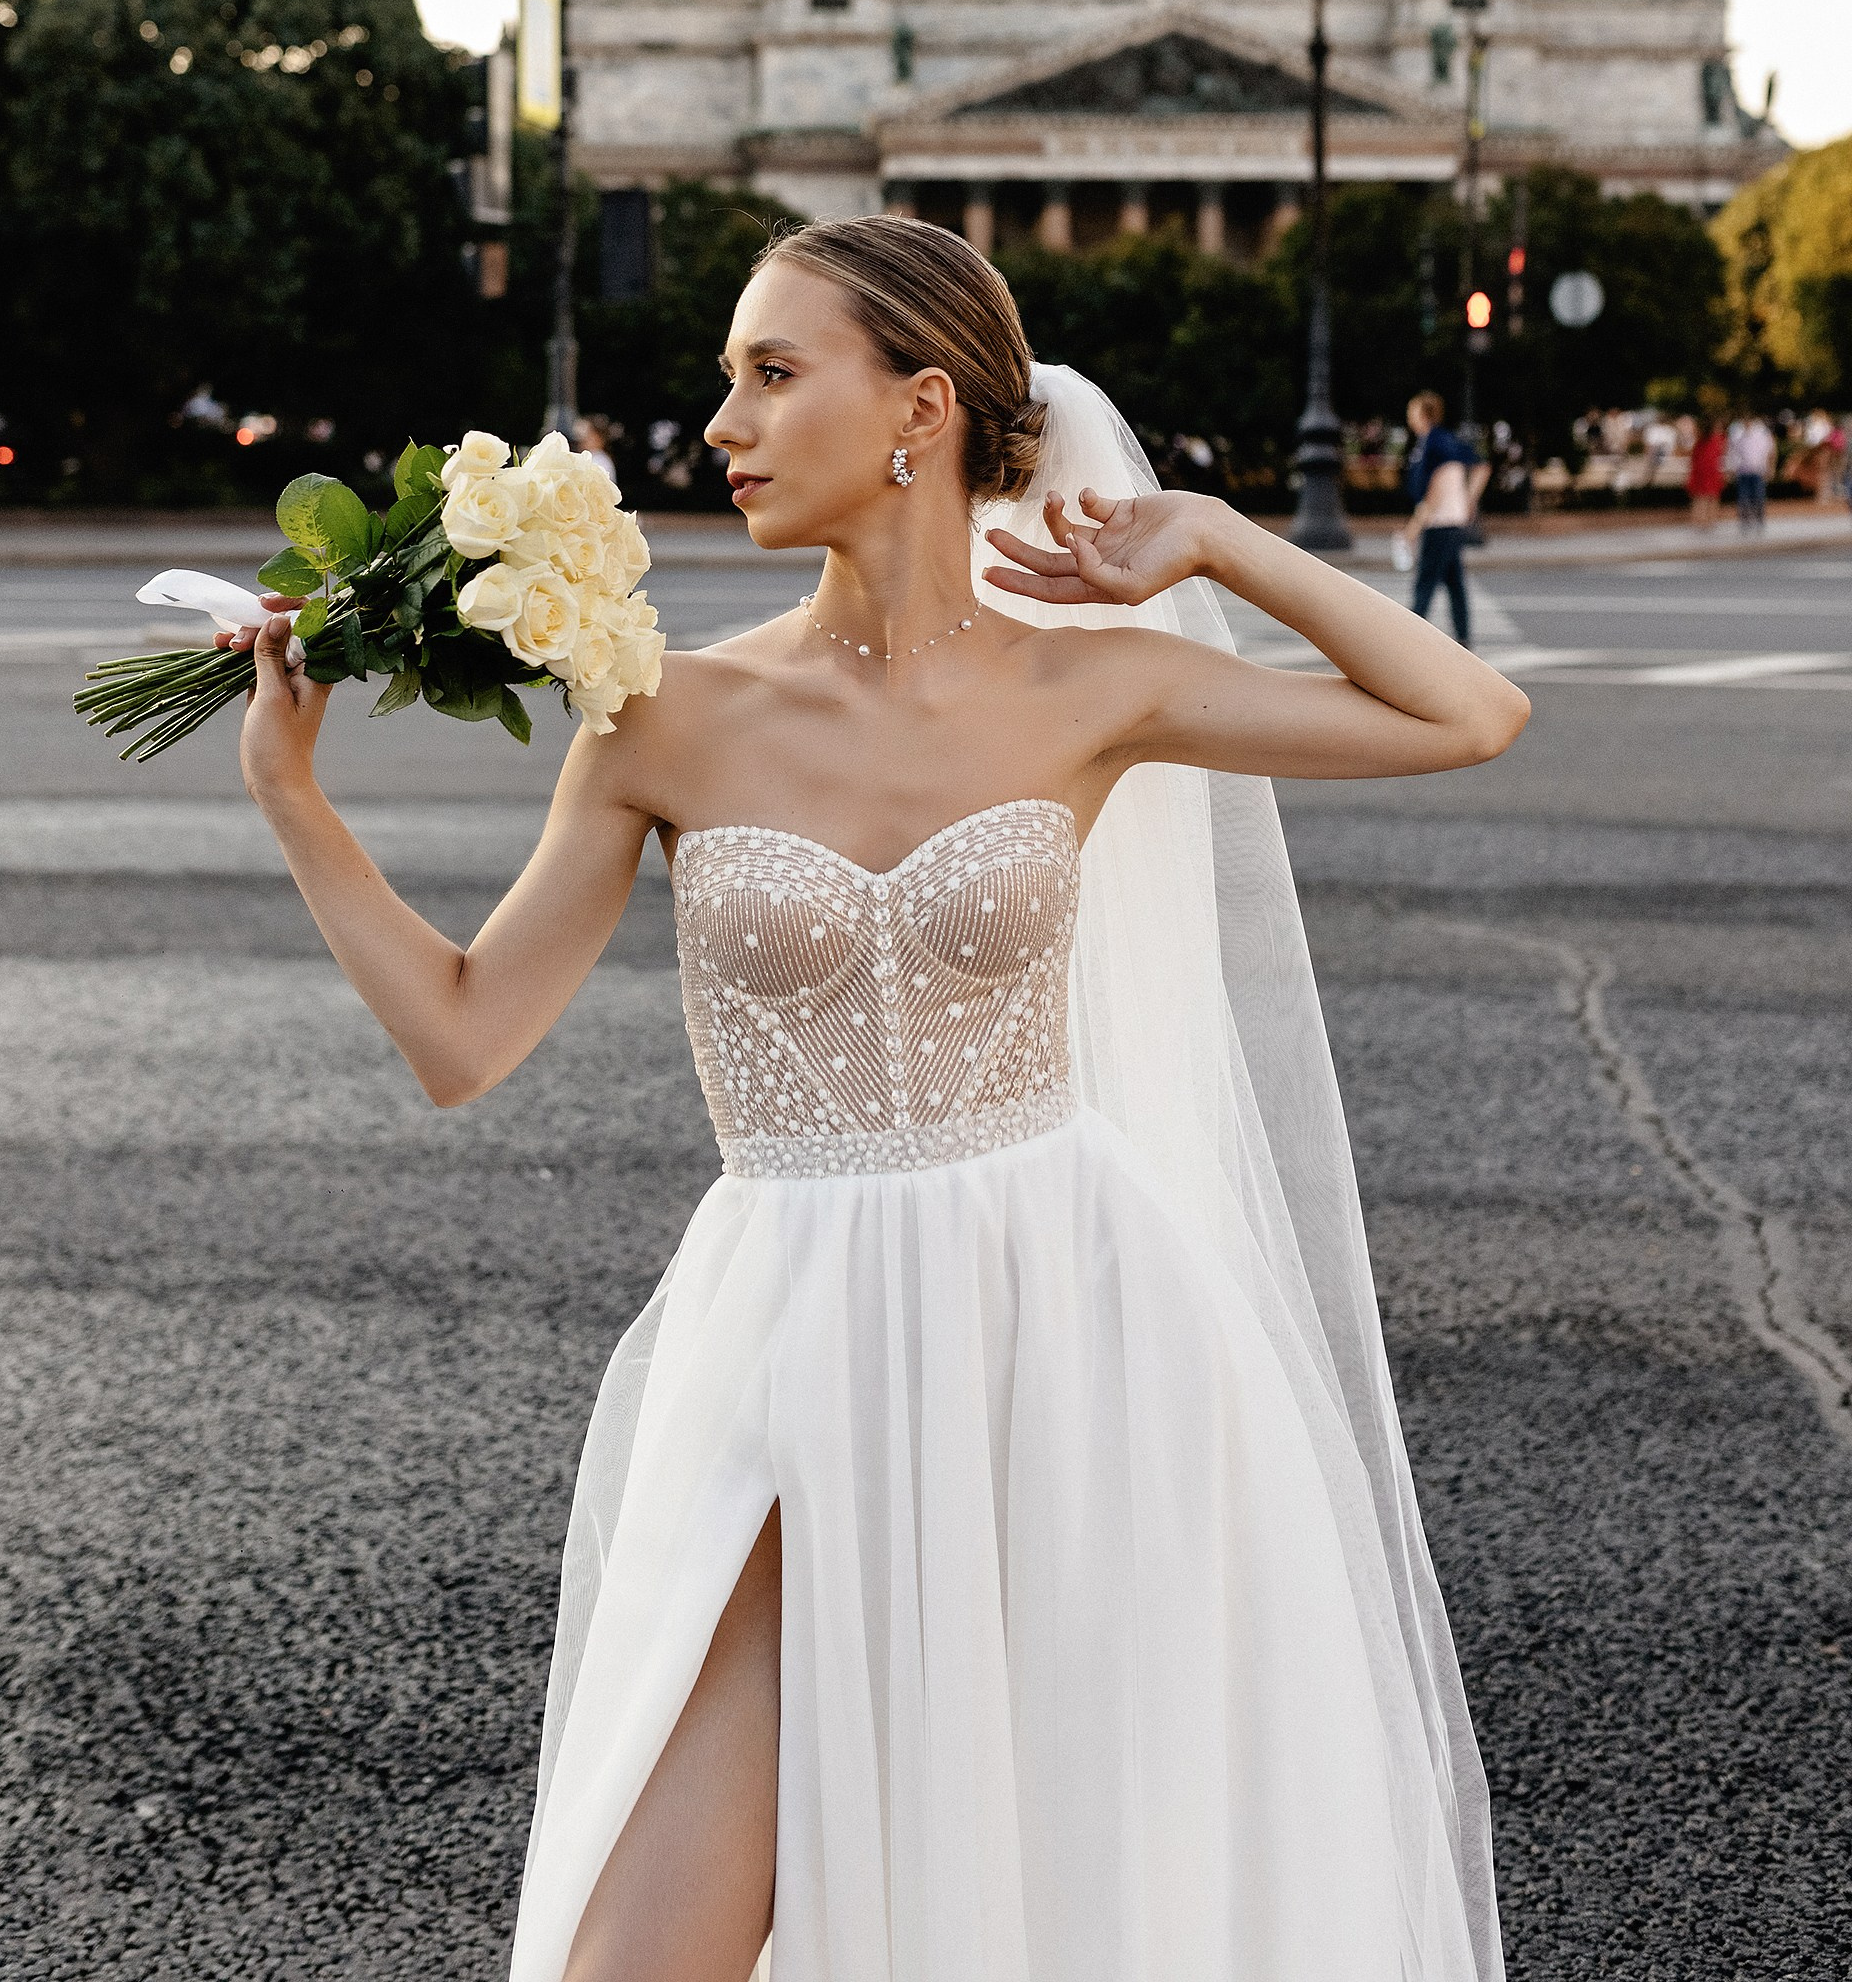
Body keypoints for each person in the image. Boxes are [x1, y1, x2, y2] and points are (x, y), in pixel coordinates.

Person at [223, 220, 1526, 1982]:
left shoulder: (1093, 688)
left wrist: (1217, 536)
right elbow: (465, 1037)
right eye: (729, 379)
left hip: (1076, 1335)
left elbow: (1468, 713)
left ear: (921, 407)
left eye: (773, 374)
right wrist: (296, 802)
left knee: (1069, 1899)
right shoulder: (662, 714)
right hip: (793, 1336)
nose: (723, 424)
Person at [1403, 389, 1489, 647]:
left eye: (1413, 410)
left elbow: (1437, 483)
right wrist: (1468, 502)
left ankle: (1409, 638)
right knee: (1453, 581)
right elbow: (1481, 466)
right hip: (1451, 521)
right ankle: (1463, 637)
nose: (1409, 416)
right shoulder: (1444, 440)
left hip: (1439, 522)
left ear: (1423, 413)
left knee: (1426, 581)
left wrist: (1417, 523)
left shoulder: (1434, 442)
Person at [1726, 408, 1776, 531]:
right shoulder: (1737, 434)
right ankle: (1745, 522)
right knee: (1743, 498)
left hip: (1757, 470)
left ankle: (1759, 520)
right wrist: (1731, 468)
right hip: (1743, 471)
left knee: (1758, 497)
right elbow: (1732, 452)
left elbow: (1771, 451)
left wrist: (1770, 468)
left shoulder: (1761, 433)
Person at [1688, 414, 1727, 529]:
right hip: (1711, 471)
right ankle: (1710, 521)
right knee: (1711, 496)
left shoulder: (1699, 440)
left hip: (1701, 470)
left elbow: (1693, 456)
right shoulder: (1716, 440)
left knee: (1700, 497)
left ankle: (1699, 521)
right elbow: (1720, 455)